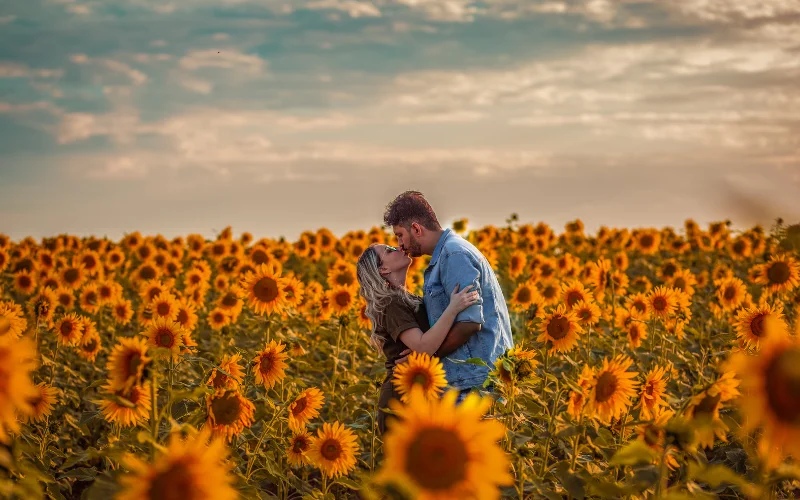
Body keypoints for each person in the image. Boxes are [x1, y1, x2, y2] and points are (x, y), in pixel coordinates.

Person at [384, 190, 514, 403]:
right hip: (469, 382)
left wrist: (424, 359)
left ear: (416, 228)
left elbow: (469, 323)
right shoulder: (447, 254)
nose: (400, 245)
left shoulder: (454, 255)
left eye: (400, 235)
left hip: (475, 385)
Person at [356, 243, 479, 434]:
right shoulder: (391, 303)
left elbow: (427, 344)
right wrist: (453, 308)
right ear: (383, 269)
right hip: (400, 400)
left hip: (417, 393)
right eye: (389, 250)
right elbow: (423, 346)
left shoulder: (407, 298)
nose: (398, 247)